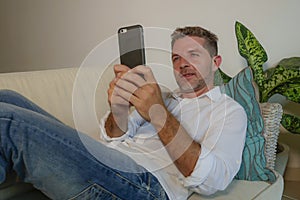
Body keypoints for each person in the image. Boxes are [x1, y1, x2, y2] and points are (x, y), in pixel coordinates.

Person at [0, 26, 247, 200]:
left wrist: (158, 113)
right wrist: (117, 108)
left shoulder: (229, 111)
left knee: (5, 121)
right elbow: (113, 137)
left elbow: (213, 180)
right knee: (7, 98)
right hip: (106, 163)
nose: (182, 63)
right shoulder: (161, 95)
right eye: (176, 58)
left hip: (145, 187)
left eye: (194, 55)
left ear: (216, 62)